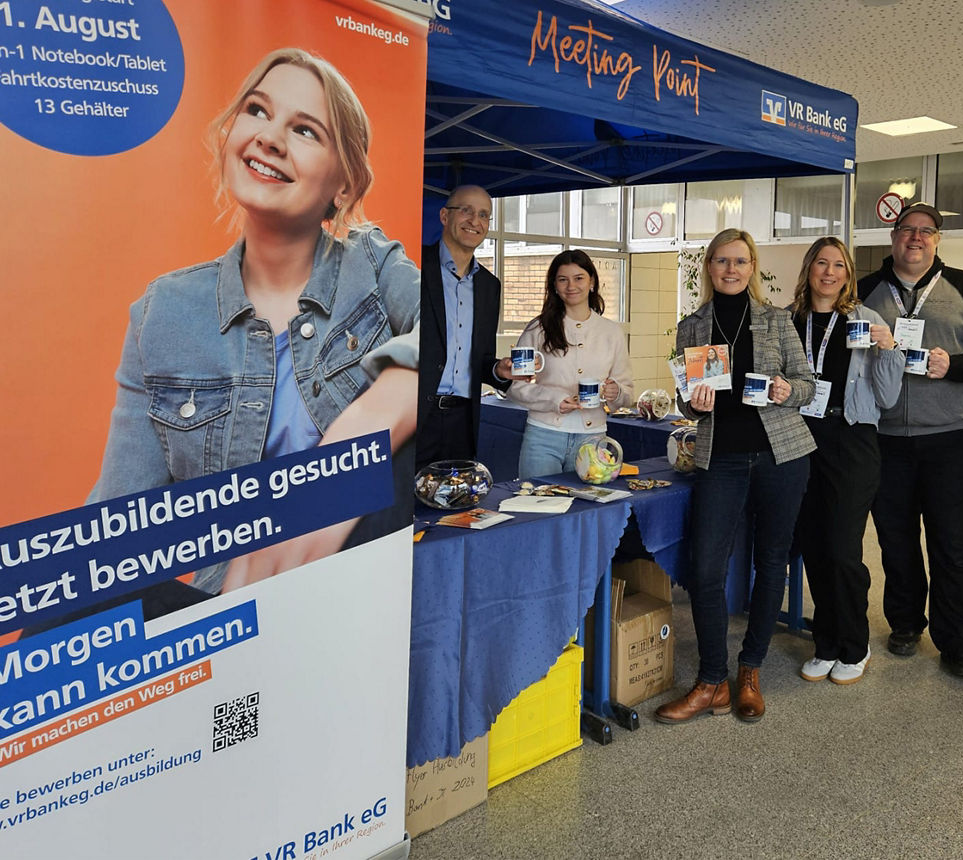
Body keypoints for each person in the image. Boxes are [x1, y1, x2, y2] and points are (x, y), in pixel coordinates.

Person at [90, 48, 420, 598]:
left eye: (306, 130)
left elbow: (447, 339)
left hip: (363, 593)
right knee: (66, 606)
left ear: (343, 185)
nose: (269, 137)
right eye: (258, 111)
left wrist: (376, 413)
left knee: (403, 453)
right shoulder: (163, 311)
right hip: (235, 609)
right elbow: (117, 531)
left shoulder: (373, 265)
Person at [654, 229, 815, 725]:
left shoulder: (777, 319)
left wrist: (787, 390)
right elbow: (684, 400)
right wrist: (693, 404)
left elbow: (808, 386)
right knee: (705, 570)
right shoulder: (691, 327)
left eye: (740, 261)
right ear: (709, 267)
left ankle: (749, 672)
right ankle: (711, 681)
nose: (731, 269)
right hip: (719, 458)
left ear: (752, 267)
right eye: (722, 261)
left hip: (780, 455)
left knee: (770, 563)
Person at [858, 202, 963, 679]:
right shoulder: (864, 292)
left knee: (955, 547)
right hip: (884, 440)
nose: (916, 237)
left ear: (938, 240)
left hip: (950, 439)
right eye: (907, 229)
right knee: (896, 541)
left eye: (926, 231)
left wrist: (956, 366)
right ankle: (905, 623)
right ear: (893, 238)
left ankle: (958, 642)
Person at [789, 238, 903, 686]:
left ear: (848, 274)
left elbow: (888, 398)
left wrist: (888, 348)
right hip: (800, 439)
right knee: (814, 545)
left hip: (851, 439)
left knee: (841, 548)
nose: (830, 272)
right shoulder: (789, 321)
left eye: (839, 265)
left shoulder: (866, 320)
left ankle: (855, 643)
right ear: (809, 269)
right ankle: (826, 642)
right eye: (822, 263)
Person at [507, 250, 634, 479]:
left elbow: (627, 393)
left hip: (593, 439)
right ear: (554, 286)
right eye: (563, 279)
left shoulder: (611, 332)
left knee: (587, 501)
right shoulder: (538, 328)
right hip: (543, 436)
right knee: (537, 499)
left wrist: (616, 392)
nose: (571, 286)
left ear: (591, 282)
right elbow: (515, 387)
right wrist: (554, 400)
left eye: (579, 278)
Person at [417, 185, 515, 469]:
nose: (475, 221)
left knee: (455, 496)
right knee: (403, 497)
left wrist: (498, 370)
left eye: (484, 215)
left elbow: (481, 359)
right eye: (466, 211)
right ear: (444, 216)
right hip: (413, 416)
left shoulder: (489, 286)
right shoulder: (412, 265)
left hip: (462, 422)